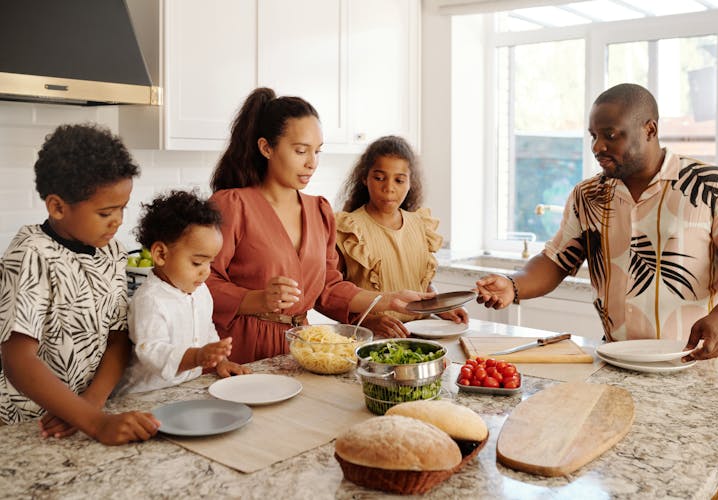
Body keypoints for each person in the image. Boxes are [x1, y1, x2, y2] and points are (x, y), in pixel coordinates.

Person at [475, 83, 718, 362]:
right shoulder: (588, 195)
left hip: (695, 363)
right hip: (617, 360)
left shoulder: (711, 186)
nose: (598, 146)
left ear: (650, 130)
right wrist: (513, 284)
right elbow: (557, 259)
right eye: (593, 136)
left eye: (610, 135)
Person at [206, 88, 433, 363]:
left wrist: (388, 300)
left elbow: (328, 287)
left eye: (317, 151)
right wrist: (257, 299)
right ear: (266, 148)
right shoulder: (232, 205)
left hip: (302, 351)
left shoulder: (319, 211)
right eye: (301, 151)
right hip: (240, 352)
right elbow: (202, 282)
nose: (312, 163)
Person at [0, 124, 159, 444]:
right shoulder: (31, 253)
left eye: (122, 208)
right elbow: (18, 360)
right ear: (58, 207)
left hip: (84, 415)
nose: (118, 221)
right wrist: (96, 423)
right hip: (28, 424)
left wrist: (90, 407)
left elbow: (118, 337)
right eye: (105, 212)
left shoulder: (112, 252)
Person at [116, 190, 251, 395]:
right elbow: (152, 352)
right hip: (145, 396)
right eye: (197, 262)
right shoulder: (150, 300)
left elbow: (206, 330)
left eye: (210, 262)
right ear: (161, 254)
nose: (206, 271)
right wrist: (196, 357)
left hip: (184, 390)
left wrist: (220, 361)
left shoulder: (200, 290)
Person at [335, 135, 468, 338]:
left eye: (399, 180)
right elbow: (332, 295)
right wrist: (368, 322)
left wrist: (440, 306)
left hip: (423, 336)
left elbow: (422, 284)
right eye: (379, 178)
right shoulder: (348, 229)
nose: (389, 187)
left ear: (410, 182)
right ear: (364, 178)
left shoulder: (421, 224)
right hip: (371, 339)